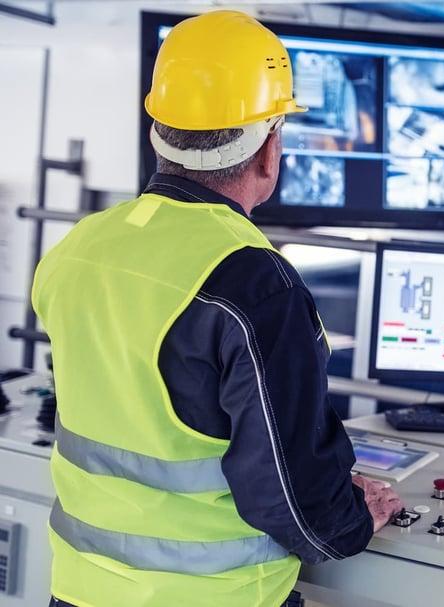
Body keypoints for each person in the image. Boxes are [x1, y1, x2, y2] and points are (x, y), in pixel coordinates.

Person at [31, 11, 401, 606]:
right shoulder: (254, 284)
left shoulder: (80, 246)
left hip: (80, 589)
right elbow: (293, 503)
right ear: (269, 149)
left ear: (161, 131)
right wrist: (352, 517)